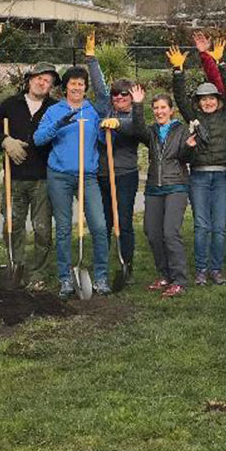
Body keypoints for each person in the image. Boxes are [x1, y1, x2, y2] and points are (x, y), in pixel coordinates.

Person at [33, 65, 111, 298]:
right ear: (65, 87)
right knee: (64, 229)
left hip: (87, 176)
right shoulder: (55, 110)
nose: (76, 87)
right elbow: (38, 139)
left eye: (80, 83)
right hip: (59, 175)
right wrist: (59, 124)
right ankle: (66, 278)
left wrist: (109, 129)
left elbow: (105, 142)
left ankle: (101, 277)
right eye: (72, 83)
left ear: (85, 87)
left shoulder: (92, 112)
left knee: (98, 225)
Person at [0, 62, 59, 290]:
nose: (41, 82)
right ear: (29, 79)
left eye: (47, 81)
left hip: (42, 179)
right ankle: (15, 264)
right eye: (38, 78)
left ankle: (37, 272)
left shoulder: (55, 109)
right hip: (14, 178)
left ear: (51, 86)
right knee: (13, 225)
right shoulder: (11, 105)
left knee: (42, 229)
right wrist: (5, 141)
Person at [170, 45, 226, 286]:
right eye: (203, 99)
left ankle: (216, 269)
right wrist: (178, 71)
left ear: (217, 101)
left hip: (223, 177)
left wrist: (222, 65)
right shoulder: (194, 118)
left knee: (219, 227)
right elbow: (179, 98)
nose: (207, 102)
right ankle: (200, 269)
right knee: (201, 226)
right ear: (198, 102)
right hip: (198, 176)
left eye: (211, 98)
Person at [84, 32, 147, 280]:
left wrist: (117, 124)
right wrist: (91, 58)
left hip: (124, 175)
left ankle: (126, 263)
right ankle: (102, 264)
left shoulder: (134, 116)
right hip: (101, 173)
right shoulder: (105, 107)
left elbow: (135, 129)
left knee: (124, 221)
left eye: (124, 95)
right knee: (105, 222)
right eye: (117, 95)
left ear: (132, 98)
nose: (119, 98)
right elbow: (99, 86)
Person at [138, 88, 193, 297]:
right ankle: (164, 275)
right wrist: (136, 105)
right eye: (156, 108)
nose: (159, 112)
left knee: (170, 233)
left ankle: (179, 279)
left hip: (176, 186)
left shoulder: (181, 130)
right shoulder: (151, 131)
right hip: (154, 187)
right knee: (152, 233)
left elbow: (185, 158)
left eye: (163, 108)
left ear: (171, 110)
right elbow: (136, 127)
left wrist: (188, 147)